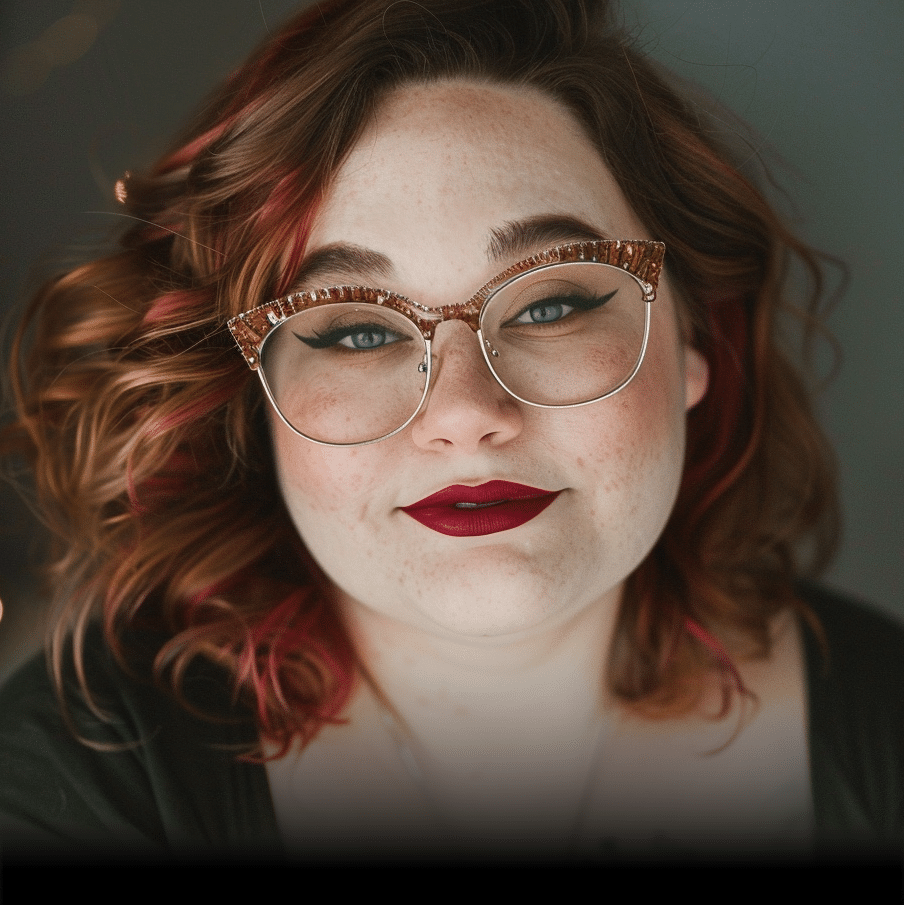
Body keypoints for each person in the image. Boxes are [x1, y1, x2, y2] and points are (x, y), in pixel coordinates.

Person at [0, 0, 901, 862]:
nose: (467, 412)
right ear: (254, 397)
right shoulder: (73, 779)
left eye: (551, 304)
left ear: (694, 342)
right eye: (355, 329)